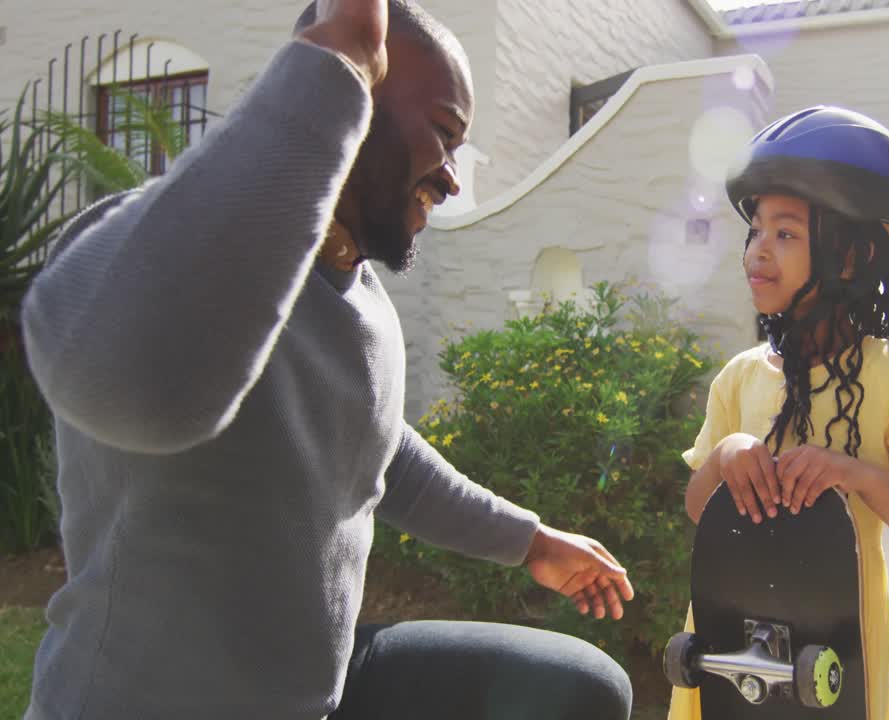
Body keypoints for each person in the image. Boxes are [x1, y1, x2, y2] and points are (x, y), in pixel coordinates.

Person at [20, 1, 635, 718]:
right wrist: (338, 55)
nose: (453, 178)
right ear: (354, 97)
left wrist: (530, 542)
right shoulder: (165, 257)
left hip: (315, 698)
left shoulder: (364, 300)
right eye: (442, 132)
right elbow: (131, 389)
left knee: (581, 689)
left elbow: (377, 449)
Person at [666, 106, 889, 720]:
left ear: (848, 258)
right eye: (755, 231)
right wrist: (723, 459)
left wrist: (855, 474)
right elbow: (699, 507)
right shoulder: (740, 376)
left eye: (786, 233)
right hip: (727, 643)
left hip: (836, 655)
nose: (758, 250)